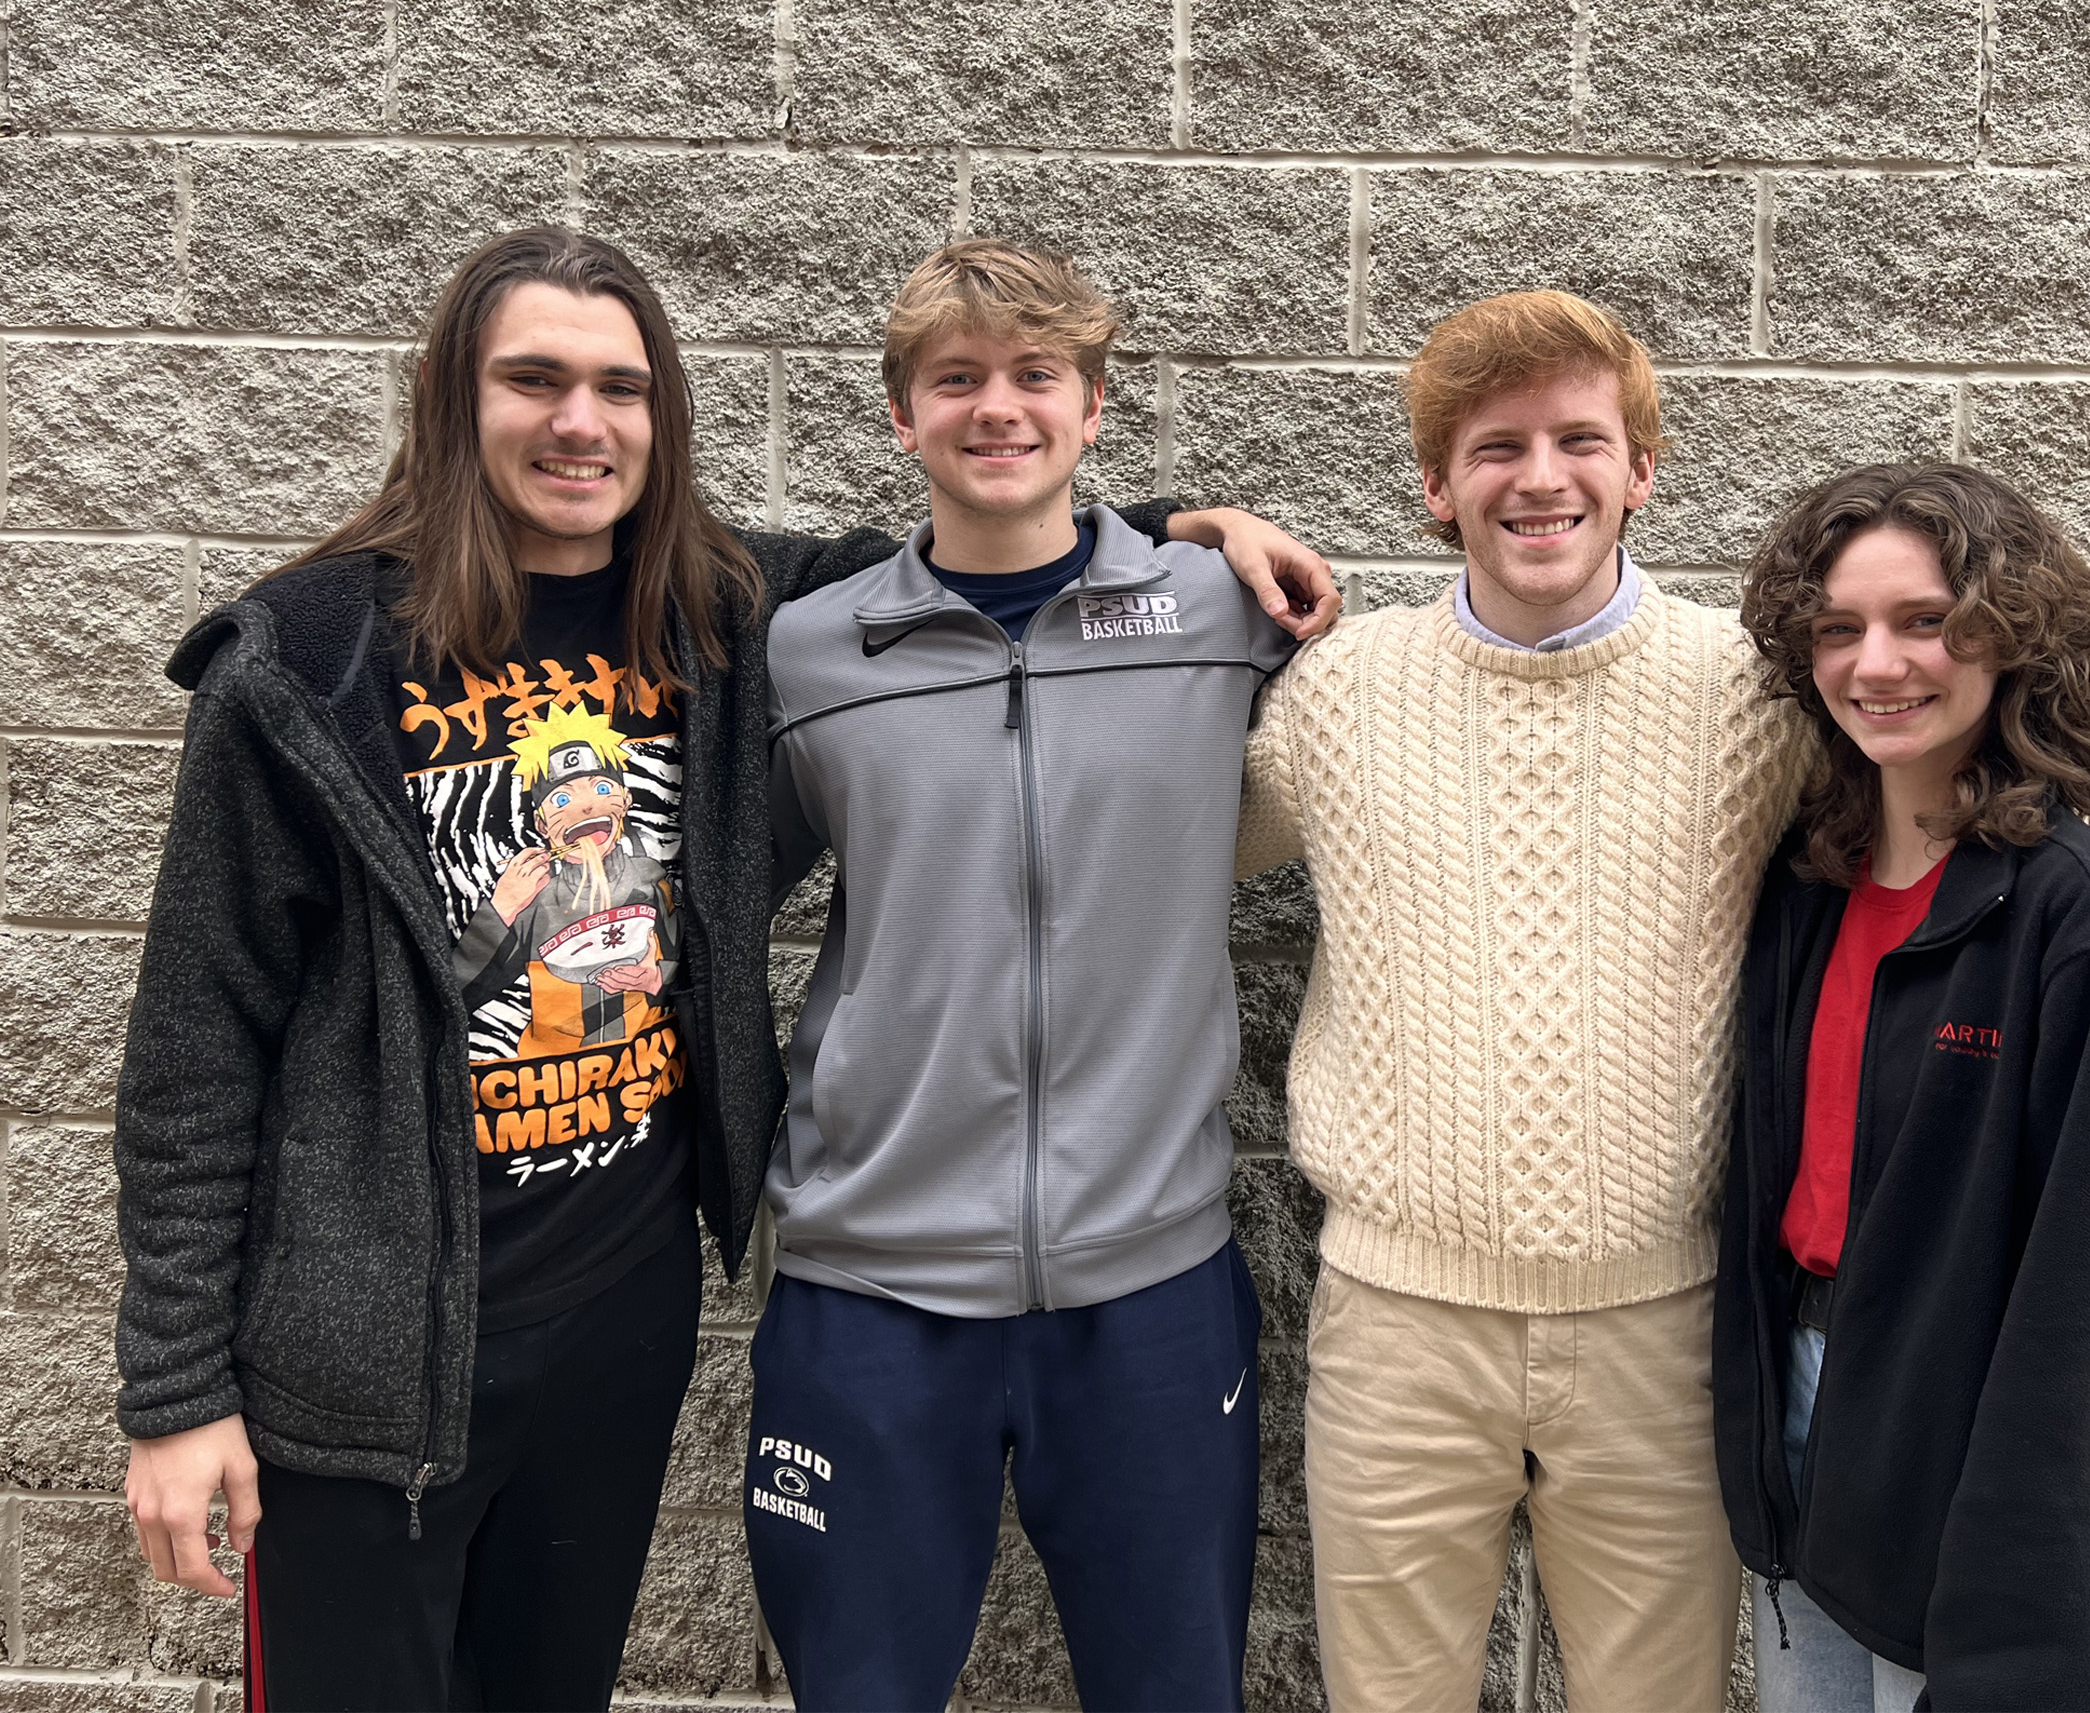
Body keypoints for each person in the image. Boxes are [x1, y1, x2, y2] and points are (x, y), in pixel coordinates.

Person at [111, 226, 1332, 1710]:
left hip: (623, 1319)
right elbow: (197, 1039)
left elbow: (995, 566)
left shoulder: (714, 609)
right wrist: (177, 1392)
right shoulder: (316, 664)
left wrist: (1185, 531)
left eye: (618, 388)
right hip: (375, 1344)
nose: (580, 422)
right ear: (452, 397)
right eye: (535, 381)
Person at [1230, 290, 2090, 1711]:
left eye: (1581, 439)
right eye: (1496, 446)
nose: (1541, 477)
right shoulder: (1338, 693)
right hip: (1399, 1328)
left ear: (1641, 469)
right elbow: (1158, 826)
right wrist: (1171, 534)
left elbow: (1960, 775)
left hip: (1666, 1325)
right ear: (1435, 484)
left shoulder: (1756, 689)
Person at [744, 239, 1293, 1711]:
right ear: (901, 415)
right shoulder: (811, 653)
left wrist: (1218, 533)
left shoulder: (1224, 616)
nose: (1000, 408)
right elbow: (722, 905)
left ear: (1095, 407)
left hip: (1153, 1285)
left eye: (1037, 375)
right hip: (871, 1286)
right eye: (957, 380)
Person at [1713, 462, 2090, 1712]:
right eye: (1839, 629)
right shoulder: (1807, 887)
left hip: (1997, 1468)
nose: (1875, 664)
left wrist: (2032, 1639)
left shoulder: (2084, 921)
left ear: (2011, 636)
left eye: (1925, 622)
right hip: (1814, 1441)